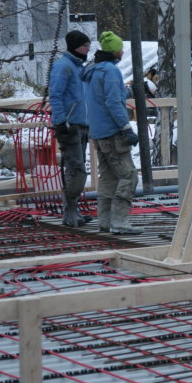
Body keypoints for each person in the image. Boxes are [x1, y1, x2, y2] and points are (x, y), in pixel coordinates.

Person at [83, 31, 142, 234]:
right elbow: (113, 102)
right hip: (112, 132)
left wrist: (127, 92)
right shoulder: (110, 71)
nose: (122, 51)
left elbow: (103, 97)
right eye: (120, 48)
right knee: (129, 176)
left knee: (108, 178)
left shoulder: (93, 71)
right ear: (113, 51)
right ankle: (120, 222)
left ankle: (105, 221)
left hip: (98, 132)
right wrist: (126, 128)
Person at [49, 30, 93, 227]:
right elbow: (56, 95)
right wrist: (60, 122)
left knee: (75, 169)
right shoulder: (64, 67)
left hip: (81, 125)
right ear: (75, 46)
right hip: (69, 126)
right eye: (85, 46)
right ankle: (69, 213)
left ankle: (73, 210)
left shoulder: (78, 67)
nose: (88, 49)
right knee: (76, 170)